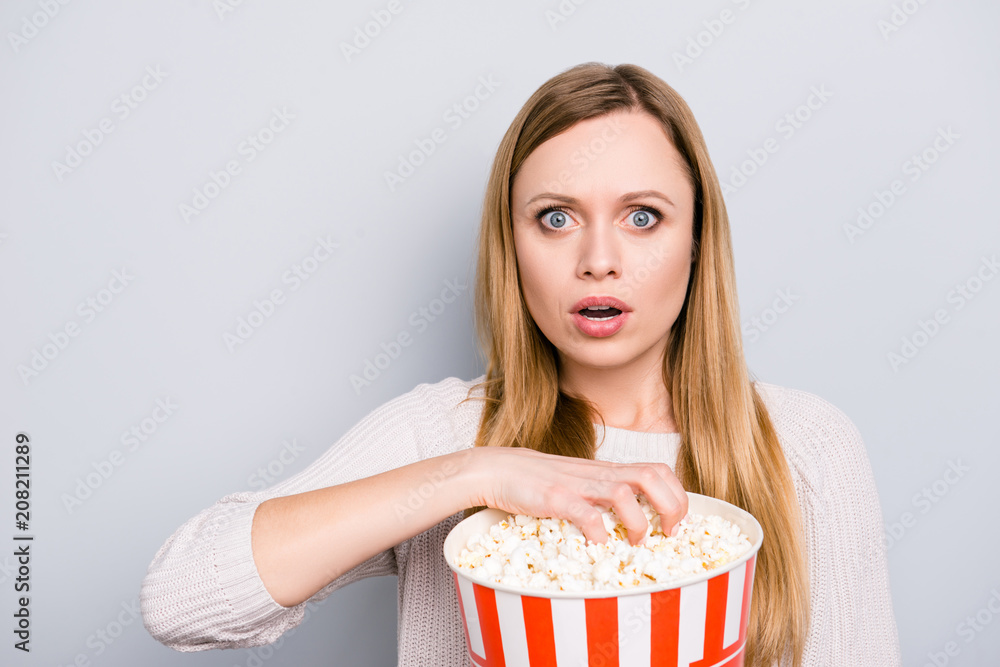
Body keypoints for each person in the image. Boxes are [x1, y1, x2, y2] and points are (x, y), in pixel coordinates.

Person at [140, 62, 902, 667]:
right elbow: (183, 597)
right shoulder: (447, 432)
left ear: (698, 239)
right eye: (555, 217)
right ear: (512, 247)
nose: (598, 260)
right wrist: (475, 474)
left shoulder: (805, 449)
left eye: (643, 217)